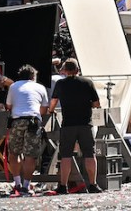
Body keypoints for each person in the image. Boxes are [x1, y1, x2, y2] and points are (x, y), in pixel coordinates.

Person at [47, 58, 102, 194]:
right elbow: (96, 104)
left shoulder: (60, 84)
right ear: (78, 70)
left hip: (68, 124)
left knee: (66, 155)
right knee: (89, 154)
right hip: (85, 124)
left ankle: (63, 186)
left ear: (65, 70)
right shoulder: (87, 83)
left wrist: (51, 111)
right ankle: (93, 184)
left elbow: (53, 102)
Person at [6, 64, 49, 197]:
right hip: (33, 121)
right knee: (30, 155)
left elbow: (8, 105)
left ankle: (17, 183)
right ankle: (26, 186)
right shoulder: (40, 87)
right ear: (33, 76)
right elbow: (44, 109)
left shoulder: (13, 86)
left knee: (14, 152)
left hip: (17, 120)